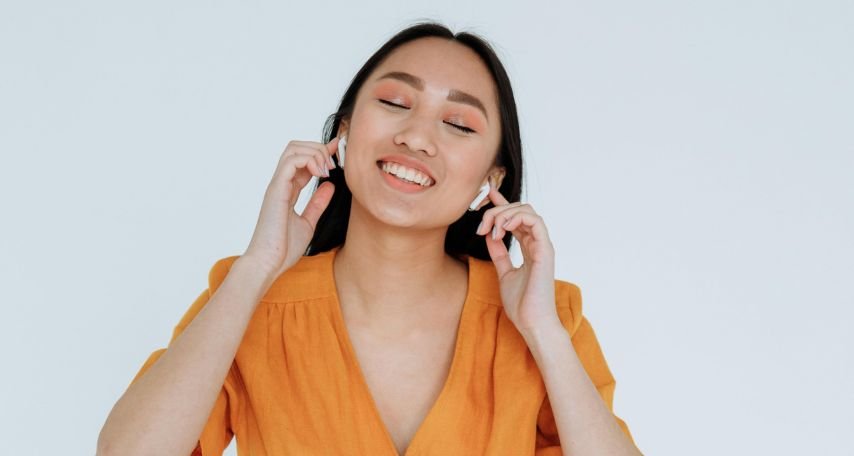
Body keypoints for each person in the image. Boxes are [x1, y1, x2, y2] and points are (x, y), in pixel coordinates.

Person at [97, 21, 642, 456]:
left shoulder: (548, 316)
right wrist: (259, 266)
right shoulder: (253, 304)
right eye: (396, 104)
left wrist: (543, 332)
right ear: (345, 131)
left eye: (459, 124)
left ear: (492, 180)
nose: (416, 137)